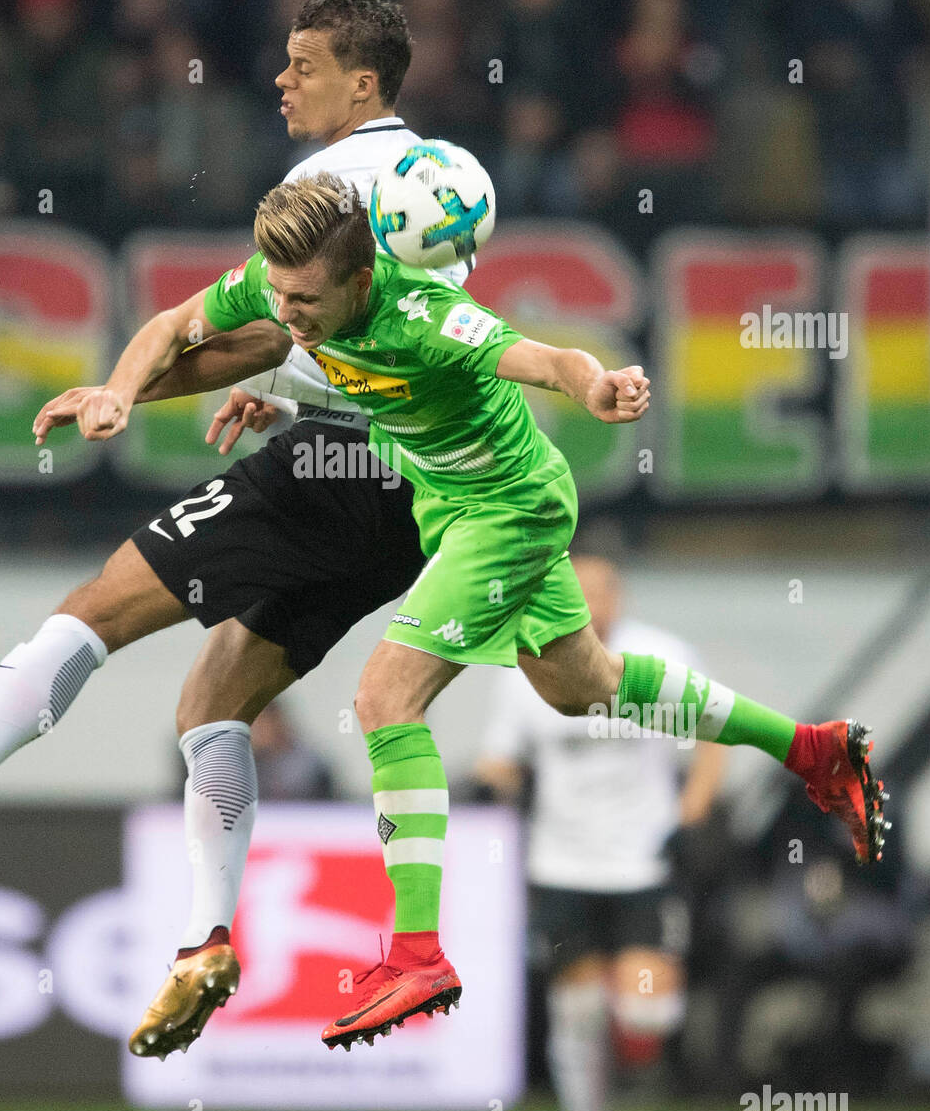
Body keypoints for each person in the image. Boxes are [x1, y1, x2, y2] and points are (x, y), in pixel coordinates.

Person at [0, 0, 466, 1060]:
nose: (284, 80)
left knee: (94, 610)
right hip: (413, 495)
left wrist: (119, 390)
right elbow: (374, 337)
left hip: (331, 473)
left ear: (364, 84)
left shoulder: (324, 188)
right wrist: (293, 388)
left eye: (304, 65)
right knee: (212, 704)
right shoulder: (437, 181)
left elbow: (226, 325)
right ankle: (205, 943)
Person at [185, 174, 886, 1052]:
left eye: (303, 298)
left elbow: (548, 360)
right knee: (583, 686)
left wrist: (591, 388)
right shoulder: (289, 288)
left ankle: (415, 954)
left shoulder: (428, 313)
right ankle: (810, 747)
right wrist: (278, 396)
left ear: (361, 279)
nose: (285, 310)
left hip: (507, 510)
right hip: (459, 509)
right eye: (278, 294)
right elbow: (353, 378)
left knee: (383, 698)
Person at [475, 555, 725, 1111]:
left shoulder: (661, 656)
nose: (591, 602)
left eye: (602, 591)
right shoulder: (526, 661)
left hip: (644, 859)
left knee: (644, 1013)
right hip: (562, 863)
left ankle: (639, 1062)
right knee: (578, 1012)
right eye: (577, 590)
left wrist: (693, 813)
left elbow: (718, 733)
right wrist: (484, 788)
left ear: (620, 597)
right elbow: (500, 760)